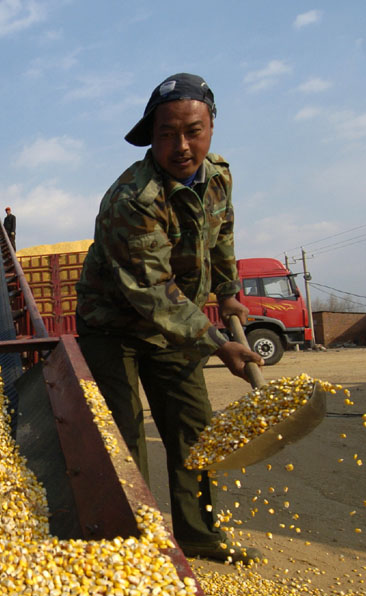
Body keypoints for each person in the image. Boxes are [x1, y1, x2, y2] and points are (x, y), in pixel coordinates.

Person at [75, 73, 265, 564]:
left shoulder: (219, 175)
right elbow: (152, 292)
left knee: (193, 427)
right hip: (114, 323)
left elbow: (221, 235)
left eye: (193, 131)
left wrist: (227, 294)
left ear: (211, 127)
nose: (181, 146)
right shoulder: (132, 200)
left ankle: (200, 535)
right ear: (151, 135)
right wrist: (218, 342)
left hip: (176, 324)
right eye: (167, 134)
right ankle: (128, 546)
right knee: (124, 431)